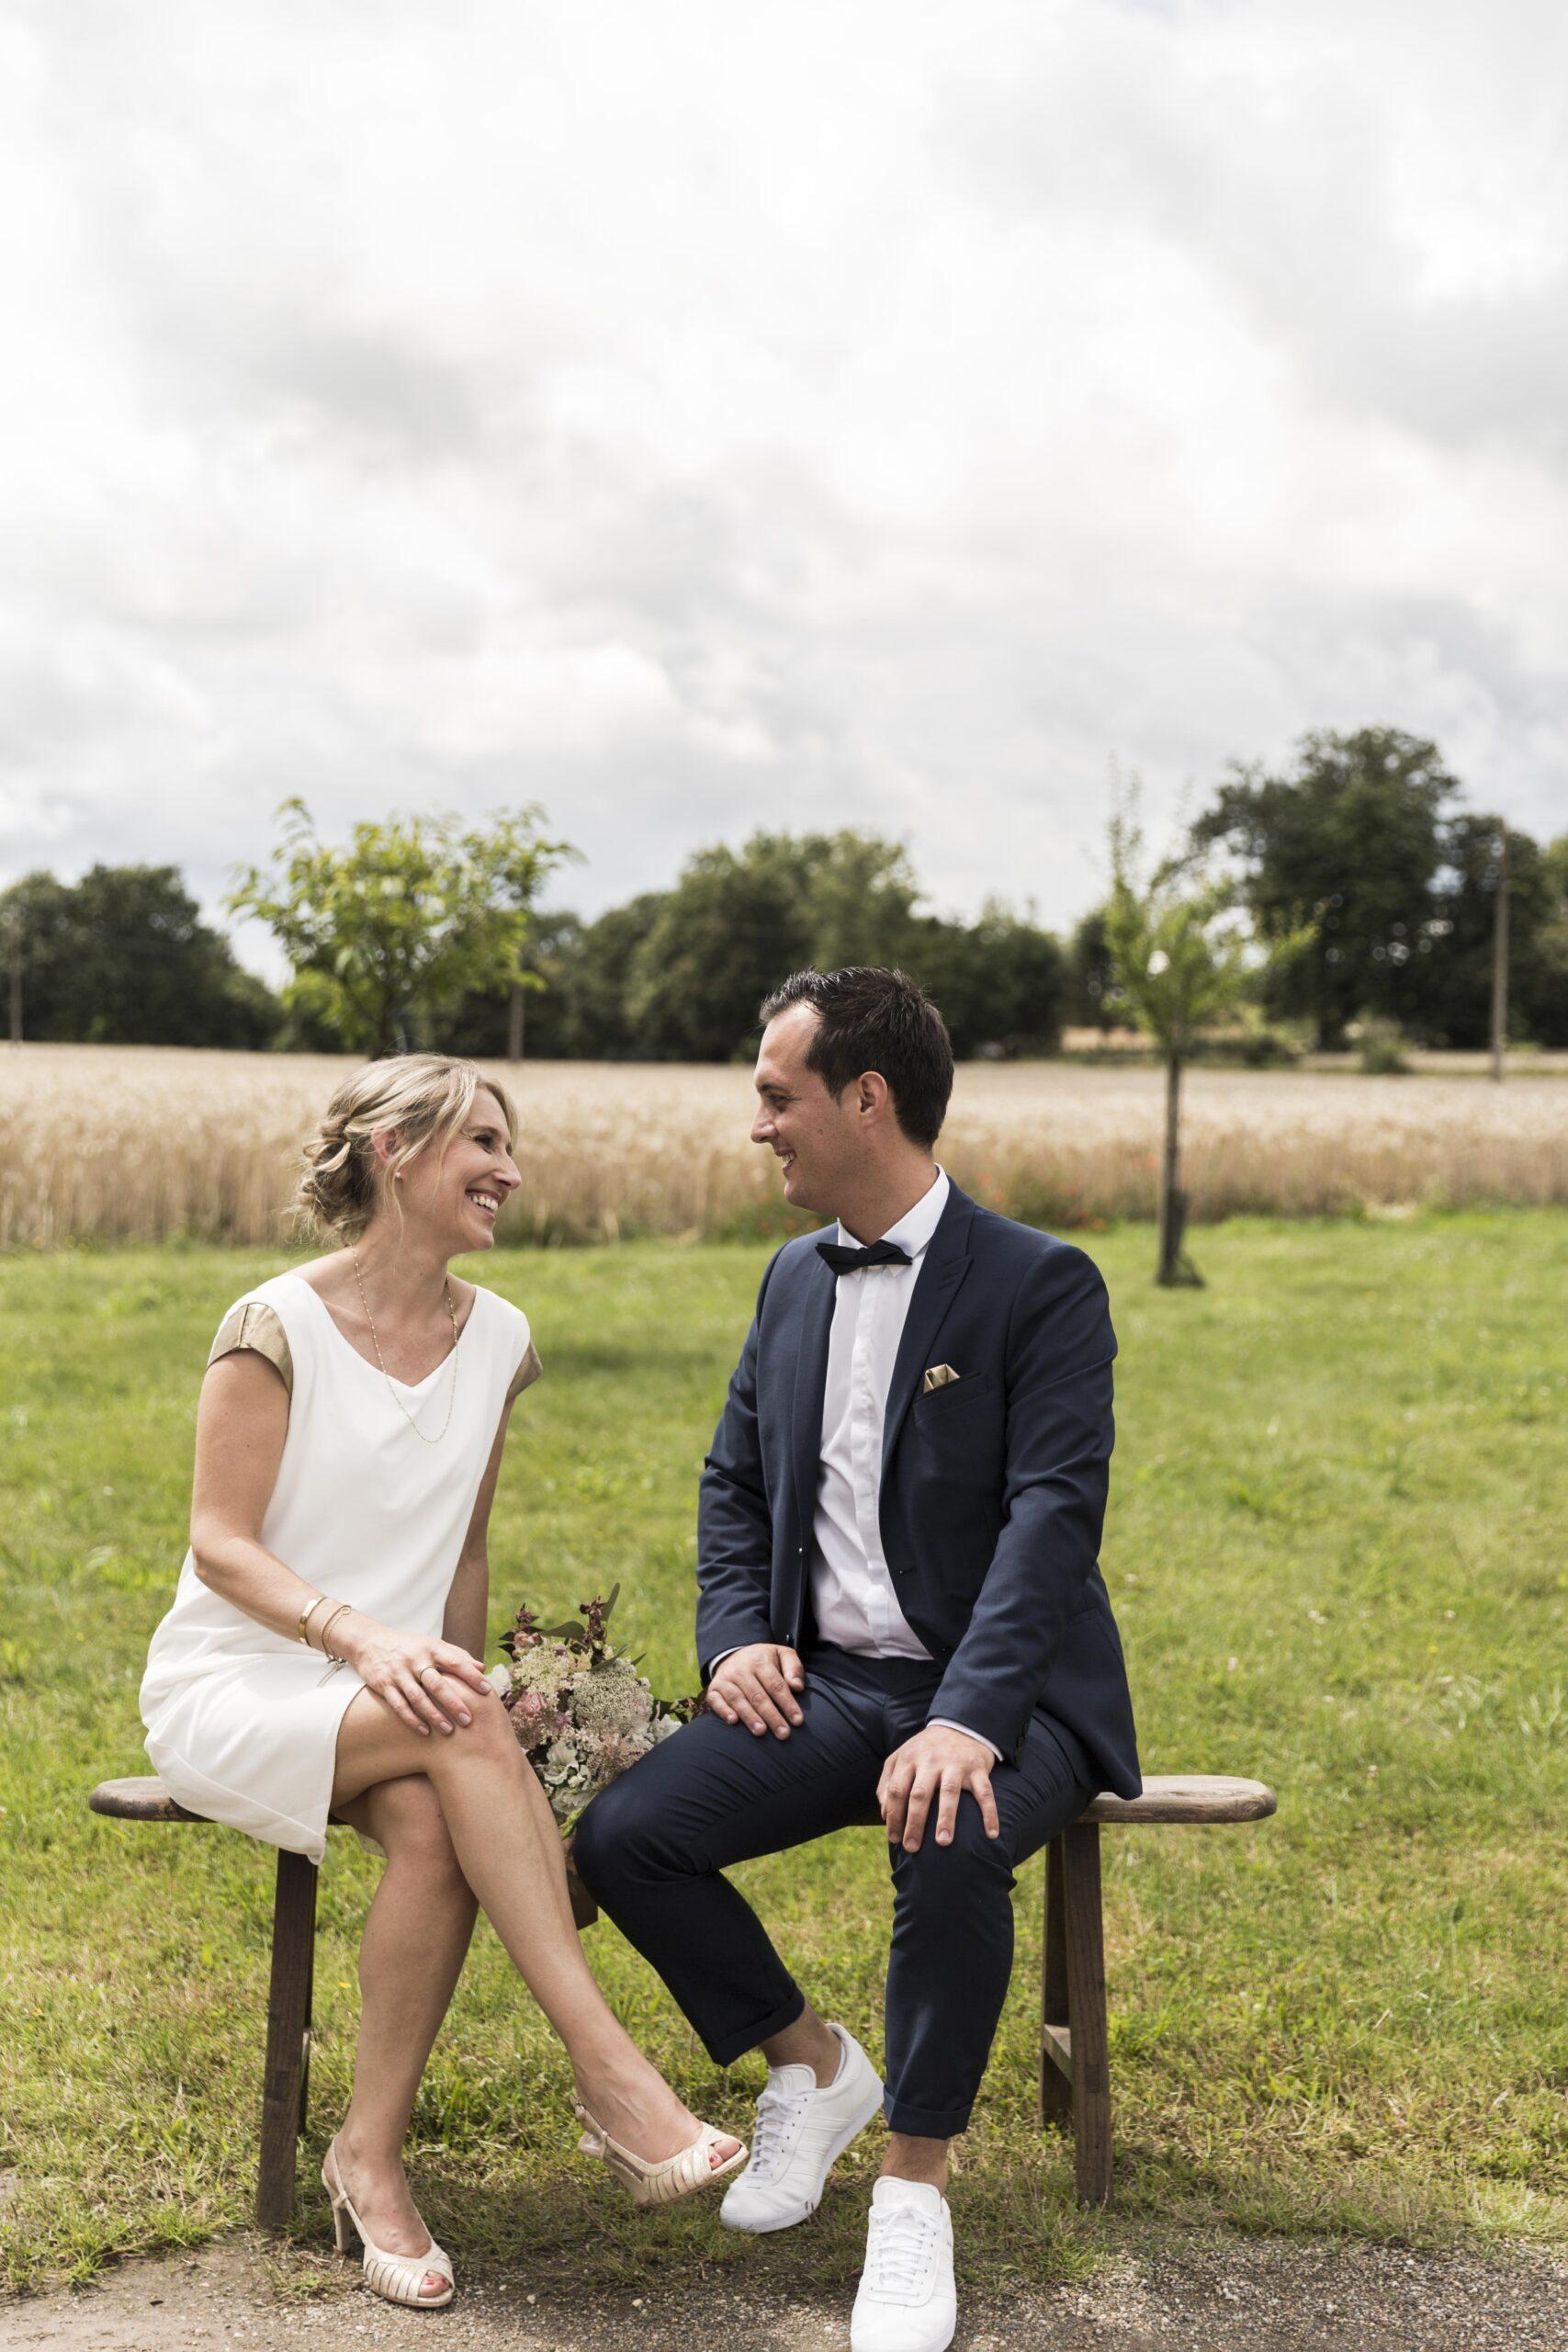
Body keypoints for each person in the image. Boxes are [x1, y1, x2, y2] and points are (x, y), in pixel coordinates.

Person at [572, 969, 1140, 2352]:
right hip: (828, 1686)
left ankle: (911, 2194)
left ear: (866, 1098)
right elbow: (733, 1482)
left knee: (949, 1831)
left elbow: (1051, 1524)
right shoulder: (790, 1276)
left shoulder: (1042, 1283)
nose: (758, 1124)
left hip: (1013, 1696)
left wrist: (968, 1719)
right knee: (627, 1835)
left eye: (778, 1096)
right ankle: (814, 2065)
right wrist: (736, 1638)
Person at [139, 1055, 741, 2312]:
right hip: (242, 1680)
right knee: (462, 1722)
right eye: (482, 1142)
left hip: (403, 1701)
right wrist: (370, 1645)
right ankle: (611, 2077)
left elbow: (463, 1553)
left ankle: (366, 2156)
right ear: (394, 1154)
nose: (508, 1170)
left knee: (435, 1821)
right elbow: (220, 1544)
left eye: (508, 1146)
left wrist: (478, 1720)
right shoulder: (272, 1325)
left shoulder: (501, 1337)